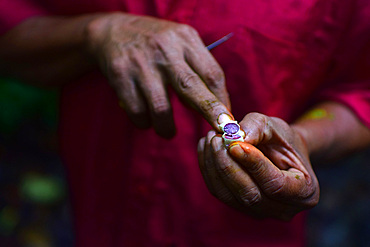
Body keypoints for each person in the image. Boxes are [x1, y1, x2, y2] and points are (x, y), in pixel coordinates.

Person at [1, 0, 370, 246]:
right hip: (93, 214)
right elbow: (12, 29)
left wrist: (303, 139)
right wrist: (95, 32)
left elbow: (362, 94)